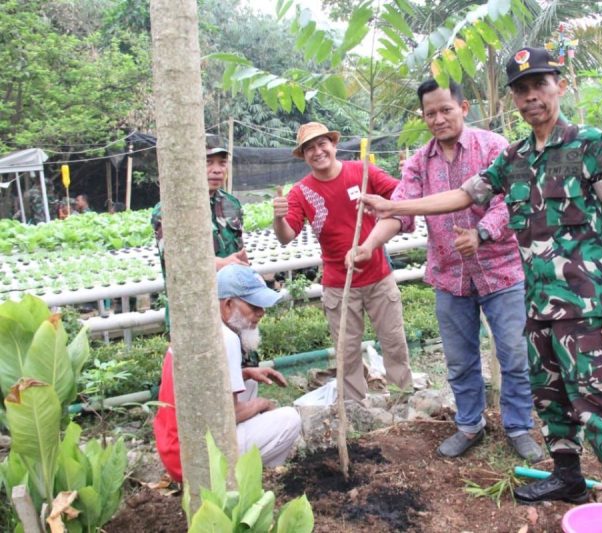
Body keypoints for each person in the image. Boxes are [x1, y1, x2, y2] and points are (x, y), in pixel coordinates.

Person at [360, 47, 602, 506]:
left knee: (599, 398)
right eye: (521, 90)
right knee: (550, 395)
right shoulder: (513, 158)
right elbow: (460, 196)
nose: (531, 97)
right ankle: (567, 478)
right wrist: (394, 206)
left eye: (539, 86)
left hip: (586, 306)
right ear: (514, 98)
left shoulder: (591, 144)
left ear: (559, 87)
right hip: (536, 302)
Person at [349, 79, 542, 462]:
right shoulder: (419, 162)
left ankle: (519, 426)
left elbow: (513, 202)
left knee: (515, 353)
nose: (438, 119)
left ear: (464, 107)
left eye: (445, 110)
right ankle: (470, 425)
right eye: (430, 113)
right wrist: (369, 245)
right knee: (459, 358)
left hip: (500, 271)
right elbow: (400, 211)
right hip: (450, 275)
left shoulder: (494, 148)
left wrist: (482, 233)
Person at [272, 122, 413, 401]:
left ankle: (405, 396)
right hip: (339, 284)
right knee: (346, 351)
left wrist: (409, 174)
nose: (318, 151)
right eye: (309, 148)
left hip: (378, 277)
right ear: (304, 156)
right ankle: (355, 406)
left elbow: (400, 196)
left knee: (394, 341)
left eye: (322, 144)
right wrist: (278, 217)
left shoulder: (362, 172)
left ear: (334, 145)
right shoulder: (301, 192)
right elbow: (286, 236)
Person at [153, 264, 302, 482]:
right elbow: (227, 415)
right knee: (290, 419)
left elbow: (205, 384)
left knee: (249, 384)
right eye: (254, 306)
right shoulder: (226, 338)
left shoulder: (195, 326)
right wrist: (263, 404)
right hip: (197, 460)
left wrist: (246, 373)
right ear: (228, 304)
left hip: (176, 450)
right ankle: (249, 480)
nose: (261, 313)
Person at [152, 141, 249, 331]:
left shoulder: (231, 204)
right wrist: (222, 264)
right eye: (208, 162)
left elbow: (240, 255)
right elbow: (177, 263)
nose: (217, 170)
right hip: (193, 313)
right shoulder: (171, 209)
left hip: (233, 309)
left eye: (222, 163)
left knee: (241, 359)